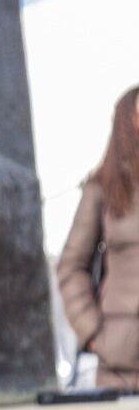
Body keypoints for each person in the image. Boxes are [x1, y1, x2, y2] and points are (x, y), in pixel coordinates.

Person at [59, 85, 139, 390]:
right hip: (122, 366)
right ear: (127, 123)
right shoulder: (102, 189)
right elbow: (70, 266)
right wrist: (92, 332)